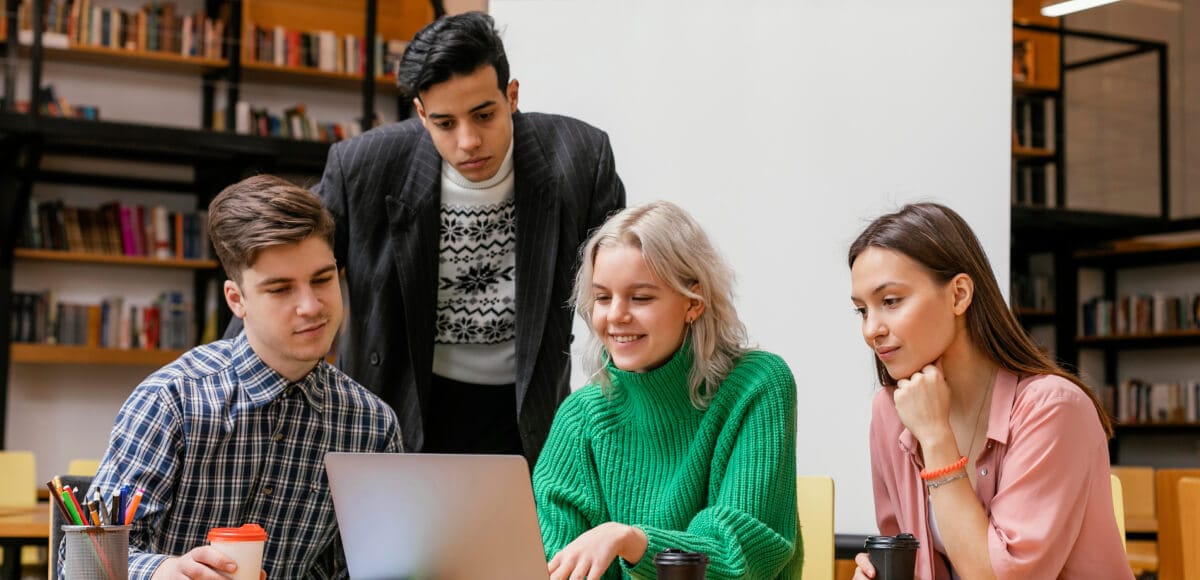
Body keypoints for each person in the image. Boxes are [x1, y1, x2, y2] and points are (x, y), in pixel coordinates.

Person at [309, 11, 625, 464]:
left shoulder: (579, 158)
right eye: (445, 123)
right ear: (421, 114)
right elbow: (290, 265)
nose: (468, 141)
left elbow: (621, 285)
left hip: (527, 411)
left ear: (511, 96)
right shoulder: (364, 165)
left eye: (484, 115)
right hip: (399, 404)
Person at [84, 175, 403, 579]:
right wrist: (164, 571)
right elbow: (84, 561)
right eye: (281, 289)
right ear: (237, 300)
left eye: (322, 279)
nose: (311, 306)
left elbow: (363, 568)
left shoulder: (372, 427)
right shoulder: (172, 401)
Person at [847, 202, 1131, 579]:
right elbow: (907, 555)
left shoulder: (1054, 409)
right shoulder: (891, 411)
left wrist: (935, 437)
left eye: (890, 301)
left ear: (959, 295)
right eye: (862, 310)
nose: (871, 330)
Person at [533, 201, 801, 580]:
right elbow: (556, 562)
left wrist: (632, 541)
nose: (616, 315)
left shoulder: (757, 385)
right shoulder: (579, 417)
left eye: (640, 297)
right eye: (603, 297)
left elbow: (740, 554)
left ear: (693, 303)